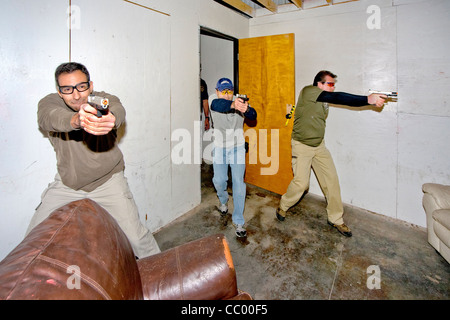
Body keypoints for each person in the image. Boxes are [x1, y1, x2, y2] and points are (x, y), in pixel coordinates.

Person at [26, 62, 161, 258]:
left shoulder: (102, 99)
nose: (76, 95)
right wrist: (77, 121)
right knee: (32, 240)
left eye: (81, 86)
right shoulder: (50, 103)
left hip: (108, 182)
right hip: (68, 185)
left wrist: (111, 118)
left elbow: (117, 109)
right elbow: (49, 118)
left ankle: (165, 278)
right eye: (67, 89)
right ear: (59, 91)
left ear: (90, 85)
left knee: (137, 239)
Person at [276, 70, 386, 237]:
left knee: (332, 181)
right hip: (302, 146)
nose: (333, 88)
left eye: (334, 85)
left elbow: (331, 101)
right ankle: (283, 205)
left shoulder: (324, 100)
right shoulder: (308, 91)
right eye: (330, 84)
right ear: (319, 84)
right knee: (301, 184)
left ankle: (336, 219)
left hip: (319, 146)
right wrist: (367, 99)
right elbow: (339, 97)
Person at [209, 78, 257, 237]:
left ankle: (239, 221)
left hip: (237, 148)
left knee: (238, 182)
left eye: (229, 91)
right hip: (220, 147)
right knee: (219, 180)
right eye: (223, 91)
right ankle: (223, 201)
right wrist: (233, 104)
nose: (227, 94)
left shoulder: (239, 100)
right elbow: (218, 105)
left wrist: (247, 108)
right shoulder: (214, 100)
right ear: (217, 91)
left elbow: (253, 115)